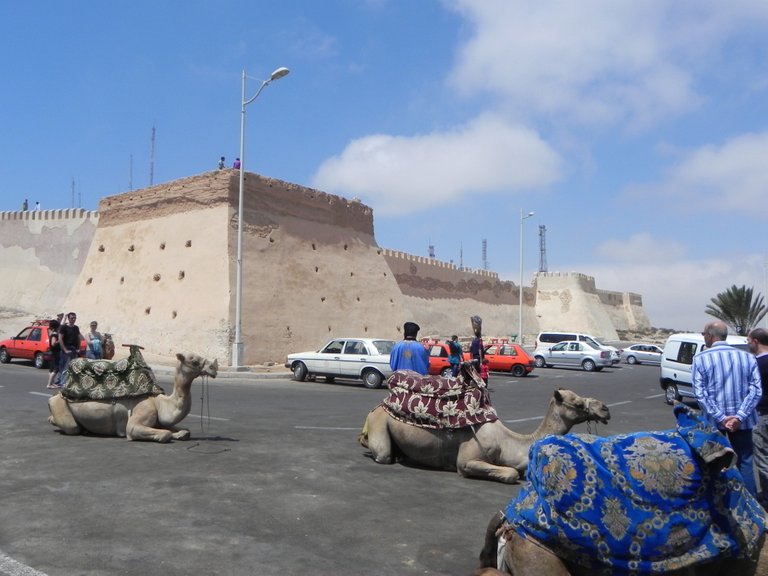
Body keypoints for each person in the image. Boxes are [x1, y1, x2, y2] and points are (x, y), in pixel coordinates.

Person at [692, 320, 762, 497]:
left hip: (713, 422)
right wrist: (738, 417)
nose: (703, 337)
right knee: (745, 461)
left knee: (712, 461)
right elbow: (756, 390)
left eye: (703, 334)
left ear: (710, 335)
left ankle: (716, 500)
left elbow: (700, 394)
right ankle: (750, 504)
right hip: (743, 422)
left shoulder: (701, 359)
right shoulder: (747, 357)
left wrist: (722, 417)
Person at [748, 327, 768, 505]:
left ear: (755, 341)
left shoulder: (756, 364)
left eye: (748, 341)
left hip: (763, 415)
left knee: (762, 459)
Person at [58, 312, 84, 386]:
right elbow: (60, 338)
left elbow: (79, 338)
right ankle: (62, 382)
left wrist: (78, 348)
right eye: (72, 318)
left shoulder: (76, 328)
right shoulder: (64, 327)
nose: (73, 319)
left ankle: (70, 382)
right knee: (64, 366)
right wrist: (65, 350)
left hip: (74, 349)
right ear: (68, 318)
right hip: (66, 349)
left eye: (74, 318)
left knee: (72, 367)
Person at [46, 319, 61, 389]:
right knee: (56, 369)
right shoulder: (54, 334)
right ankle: (49, 384)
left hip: (53, 353)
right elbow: (53, 343)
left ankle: (52, 383)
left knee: (51, 369)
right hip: (55, 353)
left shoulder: (52, 332)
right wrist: (59, 341)